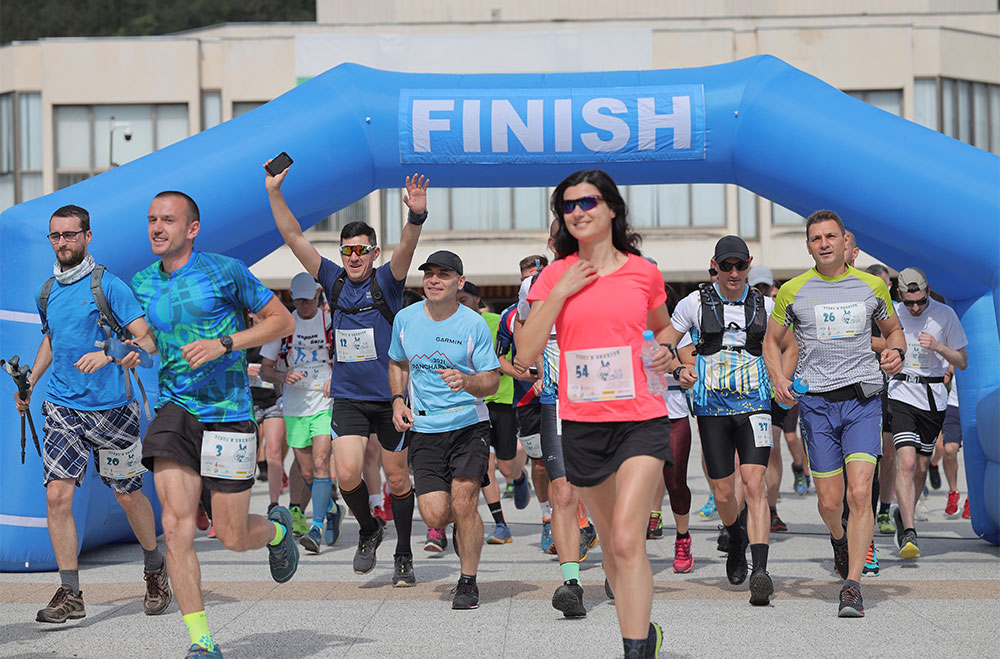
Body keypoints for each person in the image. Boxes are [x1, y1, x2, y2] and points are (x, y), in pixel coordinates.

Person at [132, 190, 297, 658]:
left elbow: (280, 321)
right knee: (176, 524)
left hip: (227, 412)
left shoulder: (224, 271)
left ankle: (278, 531)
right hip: (175, 409)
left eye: (168, 220)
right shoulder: (142, 282)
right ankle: (202, 642)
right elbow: (147, 340)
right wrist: (120, 348)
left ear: (192, 228)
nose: (157, 228)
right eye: (151, 220)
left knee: (231, 535)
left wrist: (226, 343)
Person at [517, 170, 673, 658]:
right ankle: (645, 631)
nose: (578, 211)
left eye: (587, 201)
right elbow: (525, 350)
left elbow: (663, 329)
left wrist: (666, 350)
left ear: (611, 209)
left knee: (628, 540)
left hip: (641, 418)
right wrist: (561, 292)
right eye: (567, 206)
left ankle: (633, 650)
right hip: (582, 423)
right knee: (610, 547)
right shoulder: (552, 274)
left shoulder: (642, 271)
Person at [265, 164, 427, 587]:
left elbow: (408, 250)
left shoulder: (387, 283)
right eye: (347, 251)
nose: (354, 257)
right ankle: (370, 530)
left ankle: (404, 553)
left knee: (396, 478)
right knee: (349, 473)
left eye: (362, 250)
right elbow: (295, 237)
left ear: (374, 253)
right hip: (351, 398)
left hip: (390, 397)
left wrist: (415, 216)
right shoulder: (334, 283)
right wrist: (274, 193)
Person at [16, 204, 169, 624]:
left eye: (70, 235)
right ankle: (71, 592)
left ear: (87, 237)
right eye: (56, 236)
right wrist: (30, 380)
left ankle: (155, 568)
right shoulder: (47, 291)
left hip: (113, 412)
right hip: (64, 409)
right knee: (57, 495)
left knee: (128, 494)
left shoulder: (109, 285)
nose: (62, 243)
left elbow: (147, 342)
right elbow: (52, 338)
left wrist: (109, 353)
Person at [764, 209, 905, 618]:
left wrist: (897, 351)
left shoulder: (872, 285)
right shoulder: (793, 290)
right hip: (817, 406)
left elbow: (893, 331)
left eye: (830, 236)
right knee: (830, 501)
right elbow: (771, 342)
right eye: (815, 238)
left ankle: (853, 585)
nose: (824, 243)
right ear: (808, 246)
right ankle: (839, 538)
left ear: (845, 241)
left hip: (862, 400)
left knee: (861, 492)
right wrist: (778, 380)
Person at [664, 237, 788, 606]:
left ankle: (761, 570)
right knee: (722, 491)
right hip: (711, 410)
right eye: (726, 266)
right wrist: (678, 367)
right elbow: (664, 341)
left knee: (754, 483)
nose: (734, 273)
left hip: (755, 407)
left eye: (740, 266)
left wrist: (782, 381)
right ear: (714, 265)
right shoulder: (694, 304)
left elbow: (791, 345)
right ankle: (735, 537)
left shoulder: (767, 305)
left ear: (749, 263)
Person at [387, 250, 501, 609]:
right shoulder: (405, 319)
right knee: (436, 513)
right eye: (430, 274)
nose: (435, 280)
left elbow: (492, 381)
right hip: (424, 426)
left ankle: (468, 582)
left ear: (460, 283)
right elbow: (397, 361)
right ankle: (462, 527)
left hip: (468, 423)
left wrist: (467, 381)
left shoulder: (473, 324)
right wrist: (397, 400)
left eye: (444, 275)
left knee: (464, 501)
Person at [515, 220, 597, 619]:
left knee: (607, 495)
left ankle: (618, 565)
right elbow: (523, 352)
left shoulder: (607, 278)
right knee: (563, 493)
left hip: (606, 403)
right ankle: (572, 584)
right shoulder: (536, 288)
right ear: (551, 243)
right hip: (558, 402)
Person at [886, 267, 967, 559]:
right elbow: (876, 341)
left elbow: (963, 361)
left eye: (921, 300)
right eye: (910, 303)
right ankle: (909, 531)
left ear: (928, 291)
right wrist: (888, 353)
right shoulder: (892, 314)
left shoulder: (944, 315)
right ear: (900, 295)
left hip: (933, 398)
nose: (916, 307)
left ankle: (902, 514)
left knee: (921, 467)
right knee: (905, 462)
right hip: (902, 393)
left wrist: (939, 347)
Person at [260, 273, 344, 553]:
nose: (304, 305)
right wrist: (284, 377)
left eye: (308, 300)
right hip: (295, 406)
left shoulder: (330, 322)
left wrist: (337, 379)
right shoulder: (284, 325)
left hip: (324, 402)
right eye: (298, 301)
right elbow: (265, 370)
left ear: (319, 295)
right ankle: (331, 508)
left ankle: (316, 527)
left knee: (321, 462)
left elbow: (346, 359)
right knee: (307, 471)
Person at [456, 281, 532, 544]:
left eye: (464, 299)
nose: (459, 305)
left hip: (503, 399)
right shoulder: (452, 326)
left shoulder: (496, 321)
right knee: (485, 466)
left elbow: (513, 356)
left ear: (478, 301)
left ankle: (519, 477)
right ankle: (501, 525)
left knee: (507, 464)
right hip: (474, 404)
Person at [645, 283, 696, 574]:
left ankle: (682, 538)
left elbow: (691, 364)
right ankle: (632, 549)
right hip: (639, 414)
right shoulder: (630, 327)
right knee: (636, 485)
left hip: (673, 412)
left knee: (675, 482)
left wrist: (670, 362)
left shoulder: (678, 329)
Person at [865, 263, 900, 537]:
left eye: (884, 286)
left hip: (892, 389)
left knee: (888, 452)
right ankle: (861, 511)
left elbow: (898, 342)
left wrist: (875, 342)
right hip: (861, 387)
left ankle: (885, 509)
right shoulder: (861, 308)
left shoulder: (896, 311)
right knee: (866, 457)